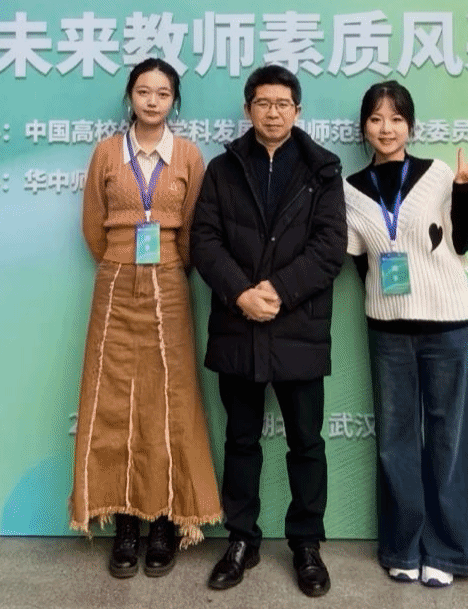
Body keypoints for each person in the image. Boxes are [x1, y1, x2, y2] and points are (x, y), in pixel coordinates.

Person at [189, 64, 347, 598]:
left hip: (298, 325)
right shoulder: (223, 168)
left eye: (282, 104)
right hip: (239, 326)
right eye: (263, 103)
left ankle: (306, 544)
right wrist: (241, 294)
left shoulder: (323, 169)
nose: (273, 113)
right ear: (248, 108)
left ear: (297, 110)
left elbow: (330, 246)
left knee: (306, 443)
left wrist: (277, 291)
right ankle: (241, 539)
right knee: (240, 440)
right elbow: (204, 240)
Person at [70, 58, 221, 578]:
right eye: (143, 91)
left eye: (162, 93)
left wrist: (167, 267)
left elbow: (196, 229)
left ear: (174, 102)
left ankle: (162, 522)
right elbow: (93, 225)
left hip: (170, 284)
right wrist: (122, 261)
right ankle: (125, 526)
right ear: (129, 97)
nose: (152, 101)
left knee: (168, 401)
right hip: (114, 283)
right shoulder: (107, 153)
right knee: (112, 400)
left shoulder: (189, 156)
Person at [343, 80, 468, 588]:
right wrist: (388, 299)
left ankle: (448, 551)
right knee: (395, 441)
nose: (387, 129)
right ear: (364, 127)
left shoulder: (439, 174)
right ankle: (402, 546)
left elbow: (462, 240)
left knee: (448, 440)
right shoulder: (350, 191)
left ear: (410, 126)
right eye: (377, 119)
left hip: (447, 323)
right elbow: (359, 261)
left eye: (397, 119)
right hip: (388, 330)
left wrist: (464, 191)